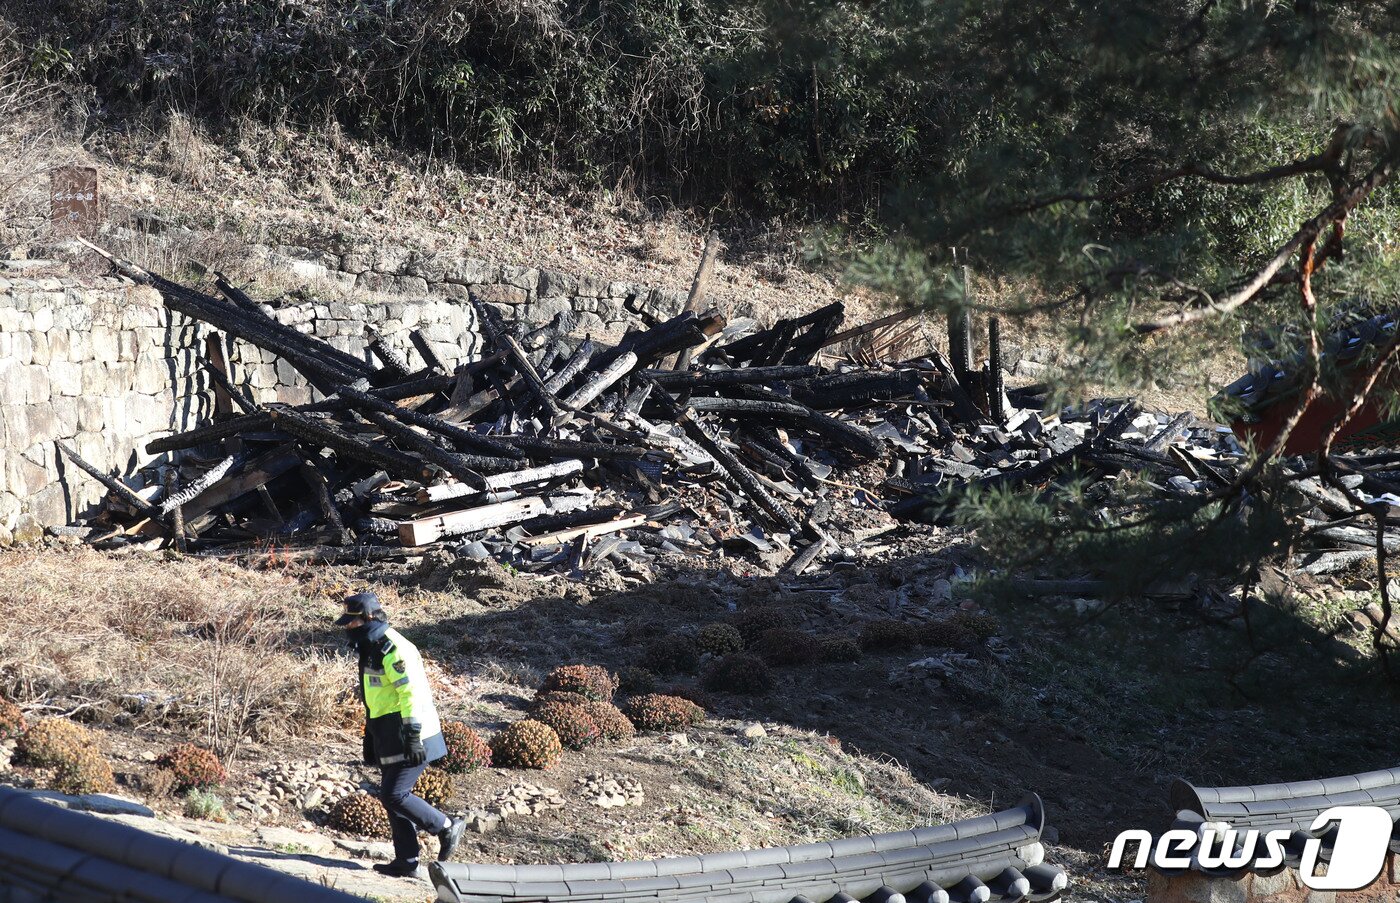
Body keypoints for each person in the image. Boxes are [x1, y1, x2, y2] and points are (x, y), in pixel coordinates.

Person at [337, 591, 466, 878]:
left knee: (394, 794)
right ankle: (406, 862)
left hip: (410, 731)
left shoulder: (392, 647)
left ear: (368, 618)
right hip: (388, 731)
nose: (348, 627)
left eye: (352, 622)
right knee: (391, 797)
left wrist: (411, 734)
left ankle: (446, 826)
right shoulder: (372, 644)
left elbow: (410, 694)